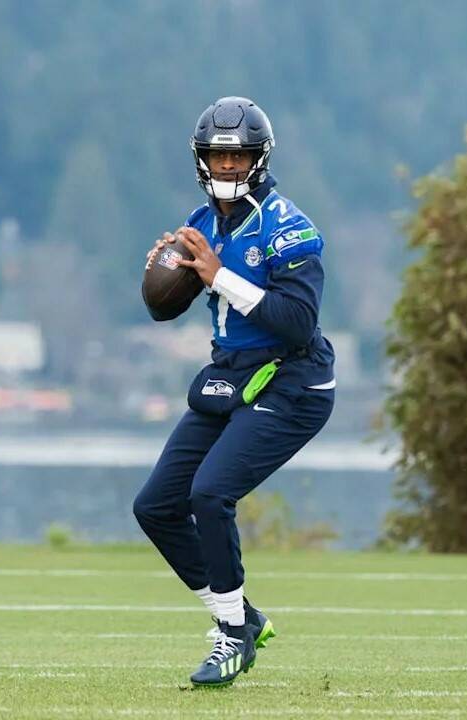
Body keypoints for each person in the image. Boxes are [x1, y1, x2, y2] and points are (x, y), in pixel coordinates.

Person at [132, 96, 336, 687]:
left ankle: (231, 636)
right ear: (201, 160)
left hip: (294, 379)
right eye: (217, 157)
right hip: (233, 374)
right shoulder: (198, 224)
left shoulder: (289, 226)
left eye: (238, 156)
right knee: (155, 506)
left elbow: (298, 322)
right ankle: (242, 616)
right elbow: (164, 313)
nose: (227, 167)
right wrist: (164, 276)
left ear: (259, 158)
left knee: (211, 493)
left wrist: (219, 275)